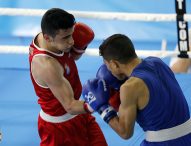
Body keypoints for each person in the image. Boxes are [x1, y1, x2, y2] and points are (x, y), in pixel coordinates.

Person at [82, 34, 191, 145]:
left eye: (107, 65)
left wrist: (103, 108)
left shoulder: (129, 87)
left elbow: (125, 133)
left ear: (114, 64)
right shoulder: (157, 62)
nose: (108, 70)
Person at [29, 8, 107, 146]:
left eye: (71, 34)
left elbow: (70, 59)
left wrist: (79, 48)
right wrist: (100, 103)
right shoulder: (47, 65)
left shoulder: (50, 36)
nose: (71, 41)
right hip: (60, 129)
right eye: (66, 37)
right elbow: (70, 106)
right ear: (47, 38)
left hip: (80, 115)